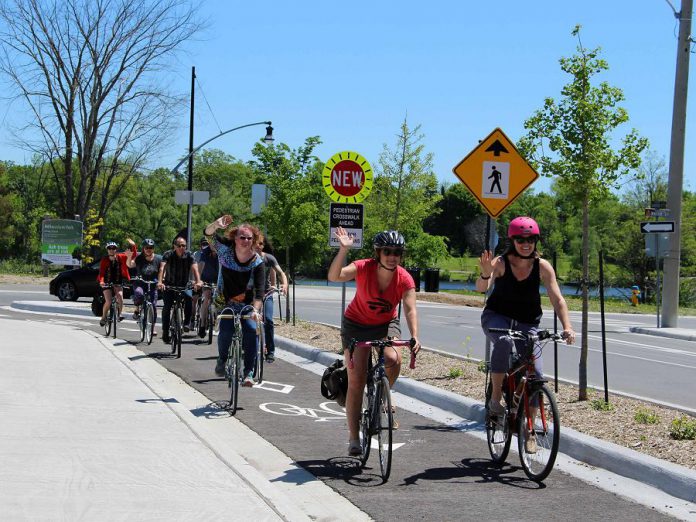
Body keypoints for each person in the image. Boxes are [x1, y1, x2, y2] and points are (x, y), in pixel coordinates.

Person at [477, 216, 575, 452]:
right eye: (521, 239)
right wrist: (485, 273)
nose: (526, 243)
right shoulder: (500, 263)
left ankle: (529, 431)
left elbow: (557, 298)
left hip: (527, 322)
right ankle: (496, 399)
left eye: (531, 239)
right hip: (497, 318)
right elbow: (482, 288)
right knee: (502, 342)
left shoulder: (542, 266)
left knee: (535, 374)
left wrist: (567, 326)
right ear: (513, 240)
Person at [328, 227, 421, 456]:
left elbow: (410, 309)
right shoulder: (363, 267)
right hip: (356, 325)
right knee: (357, 380)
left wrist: (415, 335)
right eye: (387, 251)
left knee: (393, 357)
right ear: (378, 252)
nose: (392, 256)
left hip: (385, 324)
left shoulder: (404, 278)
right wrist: (343, 250)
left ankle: (381, 395)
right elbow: (334, 276)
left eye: (397, 252)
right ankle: (353, 438)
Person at [204, 215, 264, 387]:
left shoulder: (257, 263)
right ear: (235, 238)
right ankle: (222, 359)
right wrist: (215, 225)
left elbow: (260, 292)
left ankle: (248, 372)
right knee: (226, 332)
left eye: (249, 238)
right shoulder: (224, 251)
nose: (245, 240)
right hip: (225, 302)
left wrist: (255, 310)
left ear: (254, 240)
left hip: (247, 305)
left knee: (252, 332)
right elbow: (208, 235)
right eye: (242, 237)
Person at [157, 237, 202, 344]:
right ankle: (165, 331)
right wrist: (160, 282)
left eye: (184, 246)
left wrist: (198, 281)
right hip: (169, 285)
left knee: (189, 298)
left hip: (184, 284)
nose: (182, 248)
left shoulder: (189, 255)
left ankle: (186, 323)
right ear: (174, 246)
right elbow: (162, 268)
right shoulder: (168, 254)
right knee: (167, 307)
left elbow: (195, 269)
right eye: (179, 246)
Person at [255, 233, 288, 363]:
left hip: (267, 293)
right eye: (256, 243)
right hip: (252, 295)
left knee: (268, 320)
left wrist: (284, 284)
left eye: (261, 243)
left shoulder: (269, 258)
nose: (258, 246)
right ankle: (247, 345)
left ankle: (270, 350)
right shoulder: (246, 258)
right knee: (247, 320)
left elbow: (281, 272)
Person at [127, 238, 162, 336]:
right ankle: (137, 309)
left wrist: (161, 280)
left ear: (153, 248)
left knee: (153, 306)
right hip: (141, 282)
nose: (148, 249)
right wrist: (129, 257)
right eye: (146, 248)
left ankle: (153, 328)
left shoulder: (159, 258)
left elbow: (163, 270)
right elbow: (130, 265)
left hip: (153, 284)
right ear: (143, 248)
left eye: (150, 248)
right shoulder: (139, 257)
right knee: (138, 293)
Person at [97, 239, 136, 326]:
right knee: (109, 301)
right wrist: (102, 281)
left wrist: (133, 245)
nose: (111, 250)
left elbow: (132, 256)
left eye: (113, 248)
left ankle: (119, 314)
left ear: (116, 249)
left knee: (120, 296)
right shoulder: (104, 260)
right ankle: (103, 317)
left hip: (118, 281)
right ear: (107, 250)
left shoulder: (121, 257)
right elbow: (102, 273)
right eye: (109, 248)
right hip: (106, 282)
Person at [196, 237, 219, 338]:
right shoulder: (205, 252)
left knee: (221, 301)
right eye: (212, 243)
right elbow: (200, 265)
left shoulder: (222, 252)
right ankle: (202, 325)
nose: (213, 245)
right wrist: (198, 280)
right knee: (206, 298)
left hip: (218, 279)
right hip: (206, 279)